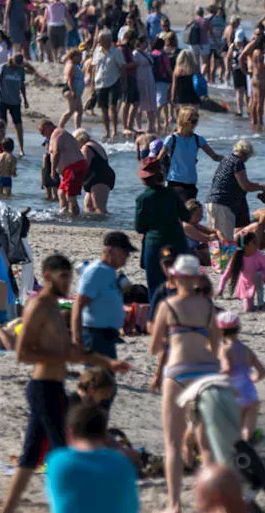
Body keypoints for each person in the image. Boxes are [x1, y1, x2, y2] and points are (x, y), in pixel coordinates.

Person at [0, 254, 129, 513]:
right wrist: (59, 357)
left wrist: (108, 363)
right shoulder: (38, 307)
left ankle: (8, 509)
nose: (68, 281)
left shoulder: (57, 310)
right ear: (47, 276)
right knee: (64, 450)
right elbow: (21, 353)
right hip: (43, 386)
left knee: (31, 456)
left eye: (70, 276)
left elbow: (72, 352)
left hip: (52, 386)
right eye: (63, 276)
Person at [151, 254, 220, 510]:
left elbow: (155, 346)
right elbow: (216, 345)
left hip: (178, 372)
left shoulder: (167, 306)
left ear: (176, 277)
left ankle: (175, 503)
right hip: (205, 374)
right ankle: (209, 502)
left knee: (172, 442)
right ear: (196, 278)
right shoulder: (209, 307)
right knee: (207, 445)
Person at [43, 404, 139, 513]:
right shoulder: (123, 464)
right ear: (105, 435)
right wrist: (118, 447)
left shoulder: (57, 461)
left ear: (70, 434)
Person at [73, 232, 133, 392]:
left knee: (105, 383)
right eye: (124, 253)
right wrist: (77, 337)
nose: (126, 258)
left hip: (107, 336)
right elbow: (78, 305)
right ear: (111, 250)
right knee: (97, 383)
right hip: (94, 335)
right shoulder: (95, 271)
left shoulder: (110, 271)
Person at [134, 157, 188, 299]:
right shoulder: (172, 193)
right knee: (179, 282)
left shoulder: (143, 198)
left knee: (155, 287)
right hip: (177, 240)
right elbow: (186, 216)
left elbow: (139, 227)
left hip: (154, 242)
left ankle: (156, 317)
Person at [205, 139, 265, 243]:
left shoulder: (226, 159)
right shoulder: (237, 162)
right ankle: (224, 259)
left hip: (212, 201)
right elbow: (245, 186)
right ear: (246, 154)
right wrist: (261, 186)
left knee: (216, 238)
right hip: (223, 204)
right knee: (224, 241)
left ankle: (216, 259)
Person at [218, 311, 265, 441]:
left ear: (220, 331)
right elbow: (262, 372)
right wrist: (252, 379)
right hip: (251, 394)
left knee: (232, 431)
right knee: (247, 433)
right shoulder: (246, 349)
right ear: (238, 329)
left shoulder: (225, 349)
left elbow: (227, 368)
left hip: (235, 394)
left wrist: (214, 376)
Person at [160, 106, 221, 201]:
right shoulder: (172, 139)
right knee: (180, 213)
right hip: (174, 182)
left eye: (196, 121)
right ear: (184, 121)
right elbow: (158, 159)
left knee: (189, 214)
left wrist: (230, 158)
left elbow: (214, 156)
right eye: (193, 121)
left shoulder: (198, 139)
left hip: (191, 183)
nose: (195, 124)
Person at [219, 230, 265, 312]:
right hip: (246, 283)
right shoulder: (237, 256)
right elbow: (226, 274)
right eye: (255, 243)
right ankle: (263, 307)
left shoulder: (258, 255)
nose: (257, 245)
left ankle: (260, 302)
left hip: (260, 276)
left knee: (258, 275)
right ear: (247, 245)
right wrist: (220, 290)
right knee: (248, 309)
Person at [42, 120, 84, 217]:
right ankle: (64, 216)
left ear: (48, 127)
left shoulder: (57, 133)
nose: (43, 135)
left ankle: (75, 218)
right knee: (60, 192)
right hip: (68, 170)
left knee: (70, 196)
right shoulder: (55, 135)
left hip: (74, 167)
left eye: (42, 131)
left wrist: (53, 170)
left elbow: (56, 152)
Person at [0, 54, 29, 155]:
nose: (18, 65)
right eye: (17, 63)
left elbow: (22, 85)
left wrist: (25, 99)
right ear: (12, 61)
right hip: (1, 99)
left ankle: (21, 149)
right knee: (1, 124)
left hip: (15, 101)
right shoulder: (3, 67)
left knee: (18, 124)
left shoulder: (21, 70)